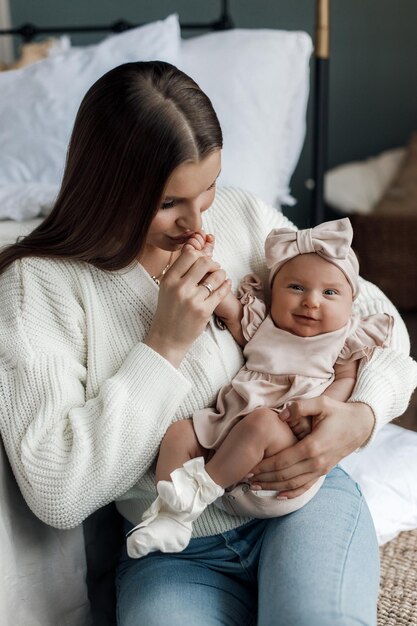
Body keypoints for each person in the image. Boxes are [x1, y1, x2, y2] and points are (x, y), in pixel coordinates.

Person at [0, 61, 416, 626]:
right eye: (170, 203)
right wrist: (162, 347)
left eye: (210, 188)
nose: (198, 222)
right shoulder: (39, 286)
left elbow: (378, 319)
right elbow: (58, 491)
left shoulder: (244, 216)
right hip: (172, 550)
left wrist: (362, 417)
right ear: (108, 186)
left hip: (303, 508)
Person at [126, 217, 394, 559]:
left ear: (350, 304)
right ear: (272, 292)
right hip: (229, 429)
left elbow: (346, 380)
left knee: (262, 424)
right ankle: (170, 516)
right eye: (296, 288)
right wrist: (199, 268)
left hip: (286, 451)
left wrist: (320, 411)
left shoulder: (344, 338)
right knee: (179, 433)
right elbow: (225, 306)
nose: (312, 302)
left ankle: (200, 488)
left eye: (330, 293)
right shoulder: (263, 322)